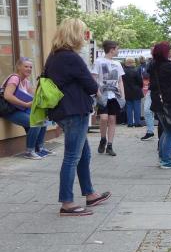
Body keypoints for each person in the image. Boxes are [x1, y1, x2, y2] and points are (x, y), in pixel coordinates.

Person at [43, 18, 110, 216]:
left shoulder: (54, 56)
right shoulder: (71, 57)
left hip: (63, 110)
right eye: (82, 32)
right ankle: (67, 203)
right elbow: (90, 84)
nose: (84, 36)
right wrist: (100, 96)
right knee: (72, 156)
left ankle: (90, 194)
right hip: (74, 110)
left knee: (84, 153)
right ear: (75, 34)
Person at [2, 58, 49, 159]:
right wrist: (25, 104)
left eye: (31, 67)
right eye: (26, 66)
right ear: (19, 67)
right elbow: (7, 96)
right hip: (9, 110)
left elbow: (33, 98)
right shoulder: (14, 78)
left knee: (42, 119)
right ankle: (29, 151)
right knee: (35, 122)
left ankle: (39, 148)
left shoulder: (26, 82)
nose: (29, 69)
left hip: (20, 109)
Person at [93, 40, 125, 157]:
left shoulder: (117, 64)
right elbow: (94, 78)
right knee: (103, 118)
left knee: (112, 119)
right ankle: (103, 139)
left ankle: (110, 145)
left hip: (114, 95)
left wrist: (123, 95)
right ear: (112, 49)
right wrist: (98, 94)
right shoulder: (99, 61)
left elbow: (120, 81)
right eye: (117, 49)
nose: (118, 51)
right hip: (103, 94)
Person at [122, 57, 144, 128]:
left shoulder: (123, 71)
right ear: (132, 63)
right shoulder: (136, 71)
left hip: (127, 92)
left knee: (129, 107)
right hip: (136, 91)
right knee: (137, 107)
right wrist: (140, 86)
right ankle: (137, 122)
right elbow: (140, 82)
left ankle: (130, 123)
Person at [140, 58, 155, 141]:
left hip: (162, 91)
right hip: (151, 89)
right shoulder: (150, 63)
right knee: (147, 110)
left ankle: (165, 134)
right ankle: (150, 131)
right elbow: (145, 75)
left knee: (161, 113)